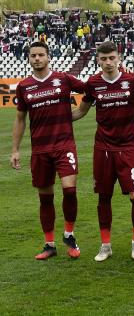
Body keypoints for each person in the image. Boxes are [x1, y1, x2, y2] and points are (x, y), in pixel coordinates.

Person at [72, 41, 134, 261]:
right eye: (103, 59)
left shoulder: (132, 80)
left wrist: (132, 113)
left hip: (128, 145)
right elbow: (80, 111)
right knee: (104, 196)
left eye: (111, 58)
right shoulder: (93, 83)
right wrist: (56, 117)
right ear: (98, 60)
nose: (108, 62)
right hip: (103, 147)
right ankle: (105, 245)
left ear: (119, 58)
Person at [11, 41, 84, 260]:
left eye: (41, 55)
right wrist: (15, 149)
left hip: (64, 145)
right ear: (29, 58)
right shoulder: (24, 86)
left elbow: (91, 90)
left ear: (48, 56)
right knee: (46, 197)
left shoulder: (63, 79)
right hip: (40, 149)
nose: (37, 59)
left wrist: (81, 111)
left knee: (69, 190)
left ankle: (69, 235)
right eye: (33, 55)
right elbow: (20, 119)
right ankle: (49, 243)